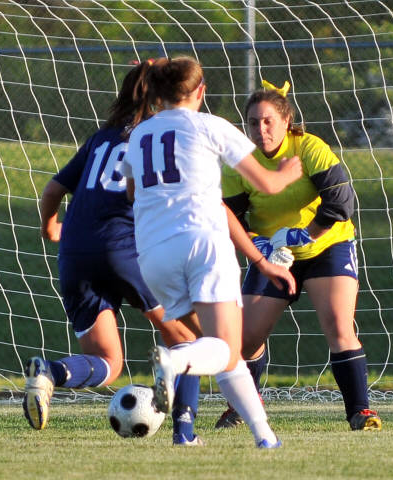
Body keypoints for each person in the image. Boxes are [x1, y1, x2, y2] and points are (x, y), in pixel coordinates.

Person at [122, 57, 302, 448]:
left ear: (158, 93)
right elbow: (268, 184)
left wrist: (260, 261)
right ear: (201, 91)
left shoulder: (139, 134)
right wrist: (290, 171)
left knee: (221, 351)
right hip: (203, 244)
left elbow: (132, 193)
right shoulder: (209, 125)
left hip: (152, 254)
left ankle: (265, 437)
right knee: (224, 349)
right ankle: (174, 361)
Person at [24, 59, 204, 446]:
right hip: (125, 248)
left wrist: (49, 228)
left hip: (74, 253)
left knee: (108, 362)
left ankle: (50, 373)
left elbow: (53, 190)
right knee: (187, 338)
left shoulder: (101, 139)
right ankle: (185, 432)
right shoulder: (160, 138)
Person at [216, 80, 382, 431]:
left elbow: (341, 202)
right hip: (274, 256)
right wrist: (259, 246)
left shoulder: (309, 147)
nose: (261, 130)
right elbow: (230, 220)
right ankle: (245, 403)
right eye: (253, 122)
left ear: (286, 121)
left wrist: (305, 234)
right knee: (245, 338)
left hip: (327, 247)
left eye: (268, 121)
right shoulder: (238, 163)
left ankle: (361, 412)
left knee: (338, 324)